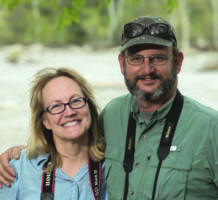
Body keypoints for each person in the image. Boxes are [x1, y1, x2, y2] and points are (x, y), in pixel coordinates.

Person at [1, 15, 218, 200]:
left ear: (178, 62)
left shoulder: (211, 128)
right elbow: (71, 137)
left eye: (158, 58)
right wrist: (19, 154)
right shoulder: (114, 114)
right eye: (135, 59)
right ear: (122, 64)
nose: (146, 69)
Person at [0, 67, 108, 200]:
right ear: (45, 121)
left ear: (89, 107)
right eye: (56, 106)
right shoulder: (16, 170)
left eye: (76, 101)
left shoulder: (115, 165)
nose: (69, 112)